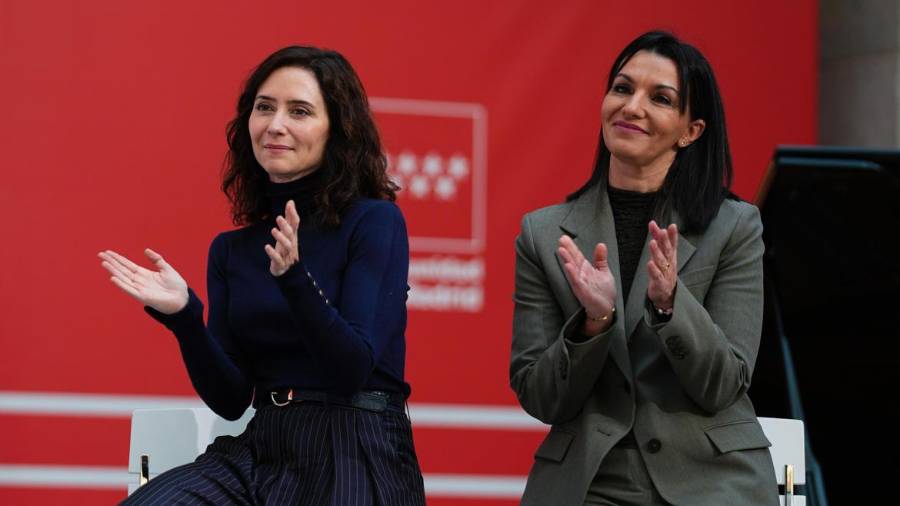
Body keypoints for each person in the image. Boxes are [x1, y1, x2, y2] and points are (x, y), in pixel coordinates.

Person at [99, 46, 426, 506]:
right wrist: (185, 318)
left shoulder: (374, 222)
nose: (275, 125)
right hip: (261, 446)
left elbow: (351, 369)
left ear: (338, 130)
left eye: (300, 111)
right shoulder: (231, 249)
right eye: (265, 107)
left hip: (354, 442)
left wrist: (293, 278)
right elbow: (232, 399)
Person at [510, 31, 778, 505]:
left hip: (712, 479)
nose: (631, 107)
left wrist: (672, 303)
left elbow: (723, 384)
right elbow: (541, 396)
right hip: (594, 479)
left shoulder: (733, 227)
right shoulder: (544, 232)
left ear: (690, 130)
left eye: (660, 98)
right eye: (621, 88)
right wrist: (594, 323)